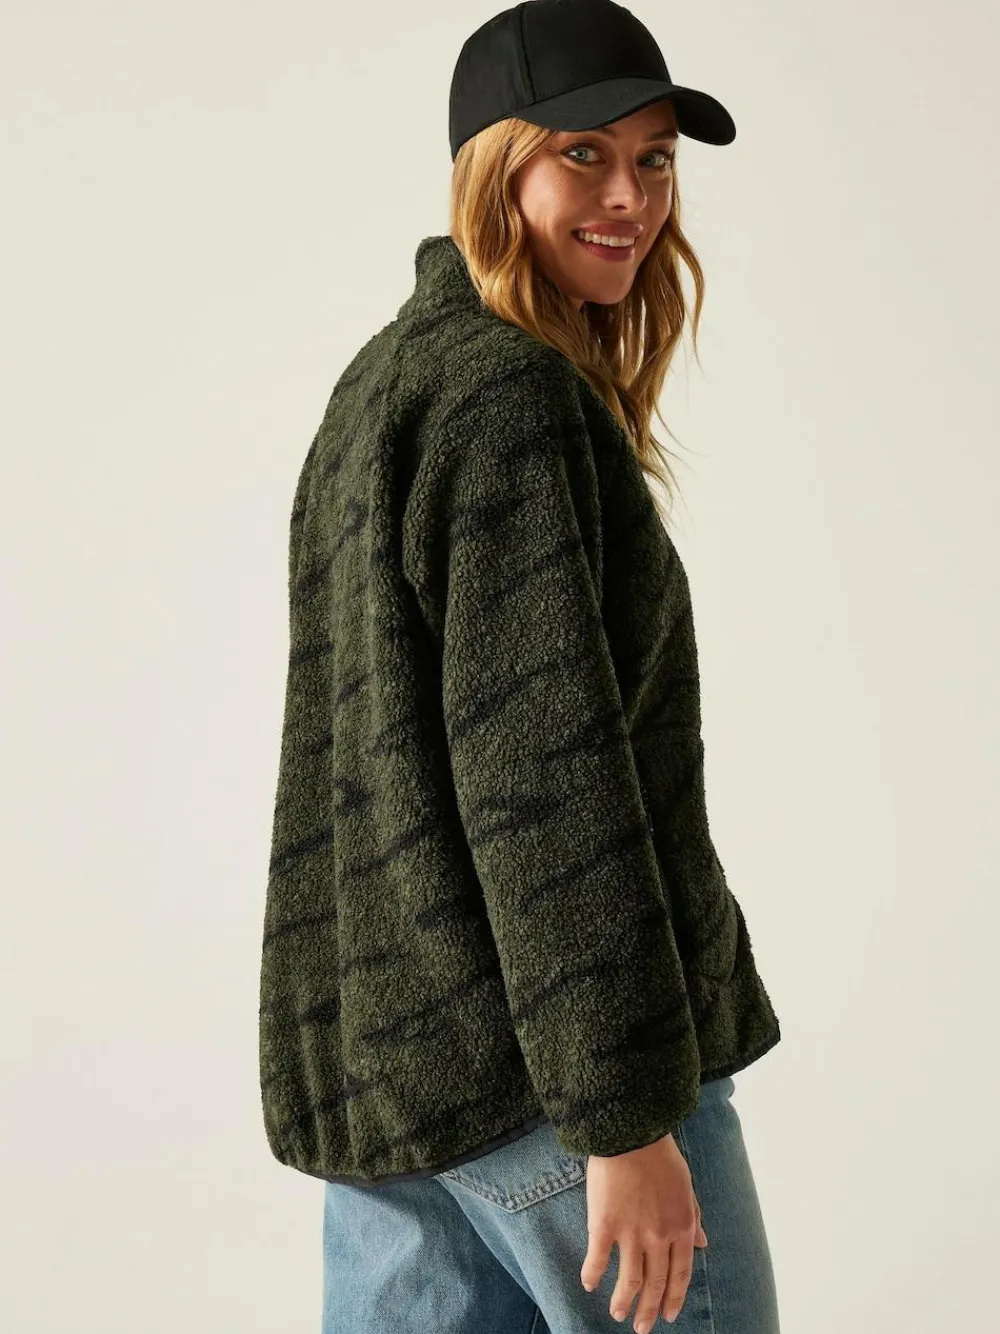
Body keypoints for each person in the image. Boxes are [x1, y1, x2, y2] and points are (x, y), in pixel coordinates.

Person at [258, 3, 783, 1331]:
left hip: (403, 1095)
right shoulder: (507, 399)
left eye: (654, 159)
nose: (631, 198)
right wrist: (625, 1118)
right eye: (583, 156)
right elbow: (543, 782)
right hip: (558, 1091)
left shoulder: (378, 387)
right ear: (495, 169)